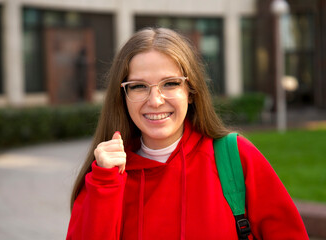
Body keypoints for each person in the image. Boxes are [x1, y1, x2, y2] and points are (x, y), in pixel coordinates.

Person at [66, 27, 308, 240]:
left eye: (170, 83)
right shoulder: (105, 176)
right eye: (139, 86)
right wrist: (105, 185)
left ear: (191, 91)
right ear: (123, 96)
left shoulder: (235, 157)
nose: (156, 100)